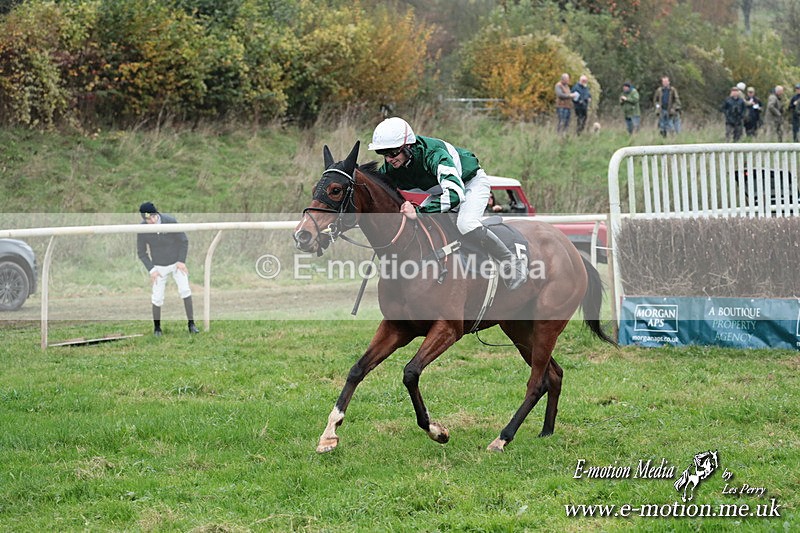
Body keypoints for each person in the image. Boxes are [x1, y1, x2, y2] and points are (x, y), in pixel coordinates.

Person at [368, 117, 527, 290]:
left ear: (408, 146)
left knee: (466, 224)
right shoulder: (392, 166)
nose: (389, 159)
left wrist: (419, 211)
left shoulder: (434, 154)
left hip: (468, 184)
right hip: (439, 191)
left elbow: (454, 195)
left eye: (392, 153)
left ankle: (511, 261)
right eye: (383, 154)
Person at [137, 202, 199, 336]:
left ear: (156, 213)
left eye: (153, 217)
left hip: (176, 263)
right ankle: (157, 328)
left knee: (185, 290)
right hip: (158, 266)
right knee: (157, 297)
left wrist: (181, 261)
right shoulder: (142, 229)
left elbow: (183, 241)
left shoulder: (170, 221)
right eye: (148, 219)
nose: (152, 221)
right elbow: (141, 253)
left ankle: (191, 324)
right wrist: (152, 270)